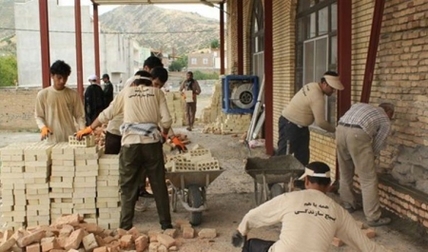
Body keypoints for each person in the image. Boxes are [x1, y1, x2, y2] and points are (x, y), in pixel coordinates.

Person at [76, 71, 173, 231]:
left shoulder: (126, 92)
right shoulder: (158, 93)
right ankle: (166, 224)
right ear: (149, 83)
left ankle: (125, 227)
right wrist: (164, 133)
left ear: (134, 84)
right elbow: (167, 120)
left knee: (128, 187)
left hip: (130, 145)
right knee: (158, 185)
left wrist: (89, 128)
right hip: (152, 145)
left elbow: (107, 114)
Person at [231, 161, 387, 252]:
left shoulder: (289, 198)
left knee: (251, 245)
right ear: (328, 186)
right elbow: (365, 245)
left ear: (306, 181)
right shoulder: (338, 211)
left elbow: (252, 216)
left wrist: (241, 231)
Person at [336, 102, 394, 227]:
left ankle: (348, 204)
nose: (391, 118)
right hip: (357, 134)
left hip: (340, 130)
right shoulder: (385, 119)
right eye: (392, 116)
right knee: (368, 179)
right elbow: (378, 144)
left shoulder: (361, 106)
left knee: (345, 171)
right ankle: (373, 217)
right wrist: (369, 159)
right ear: (389, 112)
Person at [275, 71, 344, 166]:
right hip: (290, 125)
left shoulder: (312, 85)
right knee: (284, 156)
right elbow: (321, 122)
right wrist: (335, 130)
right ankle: (273, 179)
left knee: (302, 158)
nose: (333, 92)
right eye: (332, 88)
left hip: (300, 127)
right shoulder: (317, 96)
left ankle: (299, 180)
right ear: (324, 84)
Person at [35, 60, 85, 143]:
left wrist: (82, 129)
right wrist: (43, 127)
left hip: (70, 138)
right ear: (52, 76)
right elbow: (39, 116)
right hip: (51, 139)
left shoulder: (73, 94)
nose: (62, 81)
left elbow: (80, 115)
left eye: (65, 78)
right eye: (59, 78)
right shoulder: (43, 95)